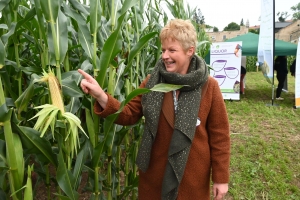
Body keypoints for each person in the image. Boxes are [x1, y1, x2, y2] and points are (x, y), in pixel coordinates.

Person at [78, 19, 230, 200]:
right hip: (155, 175)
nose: (165, 56)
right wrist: (100, 96)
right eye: (163, 50)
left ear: (190, 51)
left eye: (172, 50)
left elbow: (219, 135)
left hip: (192, 179)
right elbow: (128, 114)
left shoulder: (209, 86)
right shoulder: (152, 83)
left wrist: (221, 179)